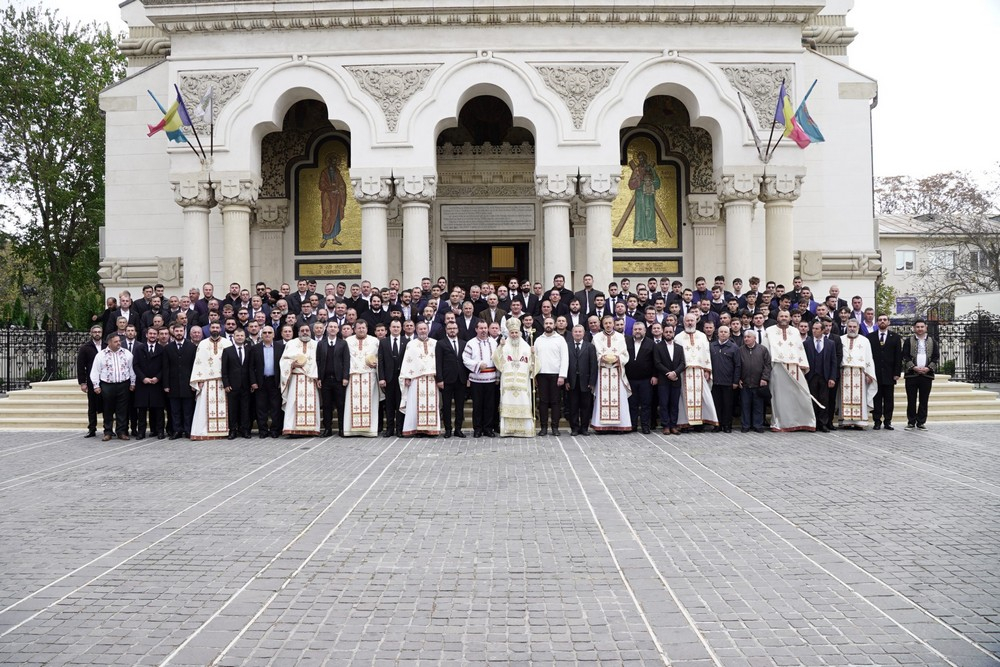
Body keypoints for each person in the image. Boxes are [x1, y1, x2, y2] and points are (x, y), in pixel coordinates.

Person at [763, 310, 816, 432]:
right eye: (781, 316)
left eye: (786, 316)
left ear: (790, 318)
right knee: (779, 397)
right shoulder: (769, 331)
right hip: (777, 367)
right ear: (777, 317)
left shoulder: (795, 331)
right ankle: (780, 422)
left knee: (801, 394)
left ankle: (803, 421)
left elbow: (800, 348)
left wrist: (803, 365)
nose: (783, 318)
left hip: (794, 367)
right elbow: (765, 350)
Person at [492, 317, 537, 437]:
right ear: (509, 333)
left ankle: (525, 430)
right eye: (512, 332)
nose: (514, 334)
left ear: (520, 333)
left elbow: (534, 365)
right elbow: (497, 360)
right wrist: (500, 348)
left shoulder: (527, 347)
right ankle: (507, 430)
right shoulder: (504, 345)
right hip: (508, 382)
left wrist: (533, 354)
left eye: (516, 332)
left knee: (523, 401)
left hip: (522, 383)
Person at [276, 324, 321, 437]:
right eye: (302, 330)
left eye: (307, 330)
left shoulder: (316, 345)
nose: (305, 332)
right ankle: (292, 428)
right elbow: (283, 361)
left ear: (310, 332)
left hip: (311, 379)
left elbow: (320, 362)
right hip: (296, 378)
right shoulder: (291, 343)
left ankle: (311, 429)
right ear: (298, 332)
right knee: (293, 403)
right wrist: (292, 364)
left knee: (311, 403)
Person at [190, 321, 233, 440]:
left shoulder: (227, 343)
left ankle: (224, 431)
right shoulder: (203, 344)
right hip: (206, 381)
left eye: (217, 327)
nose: (215, 329)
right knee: (204, 408)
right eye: (213, 327)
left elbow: (231, 362)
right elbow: (198, 362)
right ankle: (203, 431)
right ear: (209, 329)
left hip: (222, 380)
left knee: (225, 407)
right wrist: (198, 379)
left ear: (221, 329)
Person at [398, 321, 442, 436]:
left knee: (432, 404)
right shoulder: (411, 344)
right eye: (420, 329)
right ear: (416, 330)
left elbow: (439, 361)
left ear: (428, 330)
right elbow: (407, 361)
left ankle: (431, 429)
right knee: (415, 404)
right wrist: (406, 377)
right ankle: (417, 428)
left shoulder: (435, 343)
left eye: (424, 329)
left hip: (432, 379)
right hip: (415, 379)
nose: (423, 331)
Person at [89, 332, 136, 441]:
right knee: (107, 409)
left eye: (119, 341)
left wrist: (133, 383)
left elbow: (132, 369)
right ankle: (108, 431)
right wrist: (96, 385)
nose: (119, 343)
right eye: (116, 341)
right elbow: (95, 371)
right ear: (109, 342)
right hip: (107, 385)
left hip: (123, 384)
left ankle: (121, 431)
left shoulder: (127, 353)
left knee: (122, 409)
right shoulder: (101, 355)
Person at [591, 315, 632, 432]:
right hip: (602, 371)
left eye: (610, 323)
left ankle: (620, 426)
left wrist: (617, 359)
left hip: (617, 371)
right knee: (601, 398)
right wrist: (601, 358)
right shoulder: (597, 337)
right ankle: (601, 426)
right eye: (606, 323)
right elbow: (593, 355)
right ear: (602, 324)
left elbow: (625, 354)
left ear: (613, 324)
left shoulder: (620, 337)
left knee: (619, 397)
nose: (608, 325)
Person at [677, 313, 717, 430]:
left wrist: (707, 369)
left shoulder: (702, 336)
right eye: (688, 320)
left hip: (700, 371)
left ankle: (700, 423)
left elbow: (707, 353)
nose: (690, 323)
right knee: (684, 397)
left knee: (703, 396)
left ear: (696, 321)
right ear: (684, 322)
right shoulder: (678, 337)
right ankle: (685, 423)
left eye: (692, 320)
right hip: (684, 372)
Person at [343, 319, 381, 436]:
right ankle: (350, 430)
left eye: (363, 328)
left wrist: (376, 363)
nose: (361, 330)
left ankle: (370, 430)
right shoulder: (348, 341)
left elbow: (380, 356)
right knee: (351, 403)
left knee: (370, 402)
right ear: (354, 329)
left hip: (369, 375)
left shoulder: (374, 341)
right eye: (358, 328)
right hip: (353, 375)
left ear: (367, 328)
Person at [839, 319, 877, 429]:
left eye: (854, 327)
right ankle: (845, 421)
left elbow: (869, 358)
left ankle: (860, 421)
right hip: (844, 372)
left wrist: (869, 374)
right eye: (850, 326)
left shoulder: (865, 340)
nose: (852, 328)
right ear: (847, 327)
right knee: (844, 397)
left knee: (860, 397)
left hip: (860, 374)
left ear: (858, 328)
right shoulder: (840, 339)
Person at [533, 316, 569, 435]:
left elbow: (565, 358)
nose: (548, 325)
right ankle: (543, 427)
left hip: (556, 375)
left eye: (550, 323)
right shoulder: (538, 339)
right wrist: (535, 375)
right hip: (541, 374)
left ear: (554, 325)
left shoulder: (560, 339)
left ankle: (555, 427)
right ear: (544, 325)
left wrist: (562, 376)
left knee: (555, 402)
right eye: (546, 323)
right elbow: (535, 359)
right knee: (543, 402)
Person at [901, 318, 939, 430]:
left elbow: (936, 357)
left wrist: (928, 368)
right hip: (912, 375)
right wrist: (914, 367)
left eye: (922, 326)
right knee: (911, 399)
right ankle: (911, 422)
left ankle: (921, 422)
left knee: (924, 399)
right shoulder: (908, 341)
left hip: (927, 375)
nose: (920, 329)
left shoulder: (932, 341)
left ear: (926, 327)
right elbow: (905, 356)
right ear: (914, 328)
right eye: (917, 327)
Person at [463, 321, 499, 437]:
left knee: (490, 405)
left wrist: (498, 376)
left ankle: (488, 428)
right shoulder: (471, 343)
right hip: (476, 379)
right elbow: (465, 359)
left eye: (485, 328)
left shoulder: (493, 343)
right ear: (476, 329)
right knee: (477, 405)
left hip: (491, 379)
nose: (483, 330)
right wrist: (477, 365)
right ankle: (477, 429)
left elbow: (498, 360)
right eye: (481, 328)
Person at [163, 322, 197, 439]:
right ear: (173, 332)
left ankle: (188, 430)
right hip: (173, 384)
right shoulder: (168, 348)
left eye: (181, 331)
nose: (178, 333)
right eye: (176, 331)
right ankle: (177, 430)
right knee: (175, 410)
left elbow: (195, 366)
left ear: (184, 332)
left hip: (188, 384)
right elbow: (165, 367)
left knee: (188, 410)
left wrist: (194, 383)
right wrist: (166, 384)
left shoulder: (192, 347)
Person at [868, 314, 902, 430]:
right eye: (880, 320)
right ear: (877, 323)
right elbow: (868, 356)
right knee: (876, 398)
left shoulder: (895, 337)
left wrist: (897, 372)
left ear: (888, 322)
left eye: (884, 320)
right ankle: (877, 421)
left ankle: (888, 421)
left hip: (889, 373)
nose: (882, 321)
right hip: (875, 374)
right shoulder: (870, 337)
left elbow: (898, 356)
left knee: (889, 399)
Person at [804, 320, 838, 432]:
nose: (814, 331)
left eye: (817, 329)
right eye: (813, 328)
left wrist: (832, 377)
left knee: (824, 400)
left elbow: (834, 362)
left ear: (823, 330)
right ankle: (813, 423)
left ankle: (823, 423)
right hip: (811, 376)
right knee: (812, 400)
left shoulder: (830, 344)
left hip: (825, 376)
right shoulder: (807, 343)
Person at [132, 326, 165, 439]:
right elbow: (135, 365)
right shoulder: (139, 348)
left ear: (157, 336)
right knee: (141, 409)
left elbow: (164, 367)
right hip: (143, 383)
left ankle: (159, 431)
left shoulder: (162, 349)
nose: (152, 336)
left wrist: (158, 377)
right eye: (150, 334)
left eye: (154, 334)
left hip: (157, 383)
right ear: (146, 335)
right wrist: (143, 378)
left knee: (158, 409)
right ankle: (141, 431)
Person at [435, 321, 467, 438]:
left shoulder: (464, 343)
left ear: (458, 330)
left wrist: (468, 377)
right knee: (447, 406)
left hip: (461, 379)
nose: (452, 330)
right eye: (450, 329)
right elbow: (438, 362)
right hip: (446, 380)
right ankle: (448, 429)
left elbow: (466, 362)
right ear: (446, 330)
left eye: (454, 328)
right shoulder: (440, 343)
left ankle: (458, 429)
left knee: (460, 406)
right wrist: (439, 379)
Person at [315, 321, 347, 437]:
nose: (332, 329)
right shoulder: (321, 344)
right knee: (327, 405)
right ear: (326, 329)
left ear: (338, 330)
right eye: (330, 327)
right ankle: (327, 429)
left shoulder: (343, 344)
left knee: (340, 405)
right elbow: (318, 361)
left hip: (339, 380)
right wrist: (319, 378)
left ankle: (342, 429)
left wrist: (345, 377)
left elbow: (346, 361)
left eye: (335, 327)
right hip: (325, 380)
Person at [565, 325, 598, 436]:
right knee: (573, 405)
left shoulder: (590, 347)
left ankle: (584, 428)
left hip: (586, 381)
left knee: (586, 406)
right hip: (572, 381)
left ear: (584, 333)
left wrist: (592, 382)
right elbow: (565, 365)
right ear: (572, 333)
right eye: (576, 332)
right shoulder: (567, 346)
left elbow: (593, 365)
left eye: (580, 332)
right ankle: (574, 428)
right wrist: (566, 381)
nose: (578, 334)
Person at [221, 328, 254, 439]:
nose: (240, 337)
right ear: (233, 337)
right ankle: (233, 430)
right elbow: (224, 369)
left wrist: (252, 383)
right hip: (232, 386)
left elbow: (250, 368)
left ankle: (245, 430)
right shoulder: (227, 350)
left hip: (246, 385)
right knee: (232, 409)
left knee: (245, 409)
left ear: (245, 337)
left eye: (242, 336)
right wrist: (226, 384)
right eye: (237, 336)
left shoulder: (249, 350)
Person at [624, 321, 656, 434]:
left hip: (646, 379)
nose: (637, 331)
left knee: (646, 404)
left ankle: (645, 426)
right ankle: (632, 425)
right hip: (630, 379)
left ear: (644, 331)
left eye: (639, 329)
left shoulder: (651, 343)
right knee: (632, 404)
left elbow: (655, 361)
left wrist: (654, 375)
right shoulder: (626, 342)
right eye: (635, 329)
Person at [653, 323, 685, 434]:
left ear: (673, 333)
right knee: (664, 403)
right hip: (663, 380)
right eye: (666, 332)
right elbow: (657, 363)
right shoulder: (657, 347)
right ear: (663, 333)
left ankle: (673, 425)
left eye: (670, 332)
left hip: (676, 380)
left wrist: (675, 373)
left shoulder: (679, 348)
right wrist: (668, 373)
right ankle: (665, 425)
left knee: (674, 404)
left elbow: (682, 363)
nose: (668, 334)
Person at [709, 325, 741, 433]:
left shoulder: (734, 347)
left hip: (728, 382)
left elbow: (737, 365)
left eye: (725, 332)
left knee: (728, 405)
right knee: (716, 404)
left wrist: (735, 381)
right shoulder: (711, 346)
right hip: (715, 381)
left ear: (729, 334)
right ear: (717, 333)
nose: (723, 333)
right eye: (721, 332)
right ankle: (717, 425)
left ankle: (727, 425)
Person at [737, 330, 771, 432]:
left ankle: (758, 425)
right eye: (745, 337)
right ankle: (745, 425)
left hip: (758, 383)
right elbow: (737, 366)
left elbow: (767, 365)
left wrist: (764, 378)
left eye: (749, 337)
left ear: (755, 338)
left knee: (758, 406)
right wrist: (738, 379)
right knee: (745, 405)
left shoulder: (763, 350)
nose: (746, 339)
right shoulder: (740, 350)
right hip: (745, 383)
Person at [77, 324, 104, 438]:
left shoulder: (107, 346)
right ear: (91, 333)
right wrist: (83, 382)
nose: (97, 334)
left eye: (99, 332)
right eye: (95, 332)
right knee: (92, 406)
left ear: (102, 333)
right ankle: (92, 428)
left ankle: (108, 428)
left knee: (107, 405)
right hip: (91, 380)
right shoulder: (85, 348)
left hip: (106, 380)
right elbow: (80, 366)